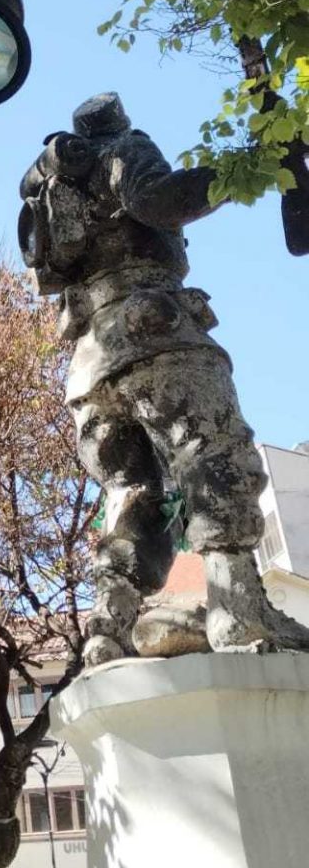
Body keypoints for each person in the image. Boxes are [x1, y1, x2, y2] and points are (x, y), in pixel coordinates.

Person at [19, 91, 309, 664]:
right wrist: (245, 167)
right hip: (154, 330)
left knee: (133, 493)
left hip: (89, 359)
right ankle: (239, 609)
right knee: (214, 455)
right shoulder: (123, 148)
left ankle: (110, 626)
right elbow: (158, 201)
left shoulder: (52, 185)